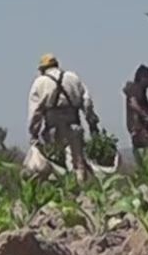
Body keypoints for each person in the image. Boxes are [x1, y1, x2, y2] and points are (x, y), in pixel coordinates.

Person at [27, 53, 101, 182]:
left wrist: (34, 133)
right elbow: (87, 102)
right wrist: (91, 122)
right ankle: (80, 190)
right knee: (78, 161)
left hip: (53, 126)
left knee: (55, 162)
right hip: (74, 122)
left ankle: (63, 191)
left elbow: (35, 112)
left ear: (43, 69)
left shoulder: (40, 82)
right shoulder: (73, 77)